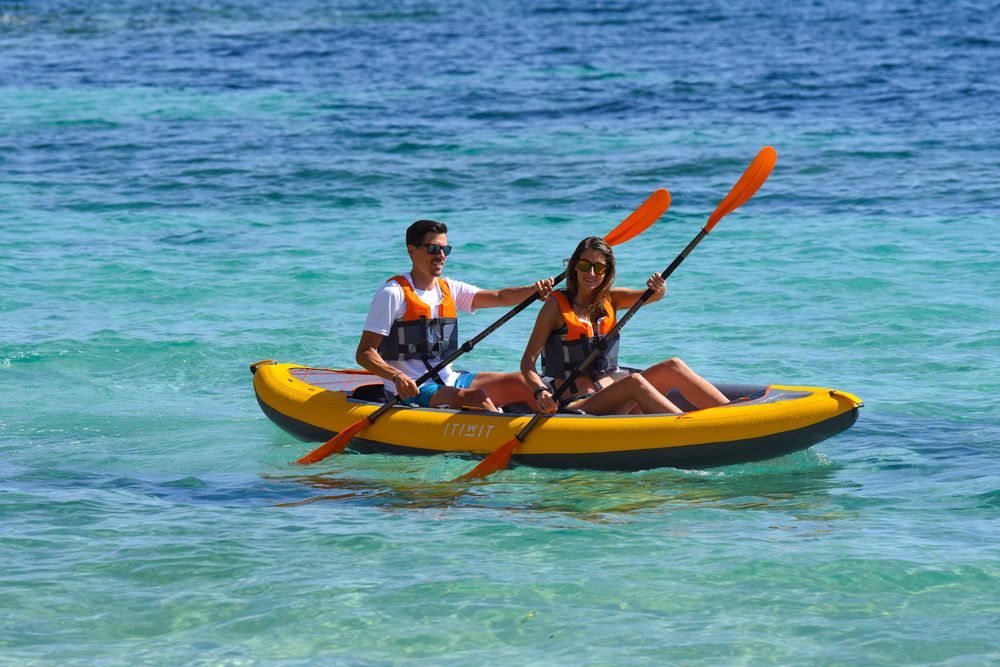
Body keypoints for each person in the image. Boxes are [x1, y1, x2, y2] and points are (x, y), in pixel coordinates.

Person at [357, 219, 554, 411]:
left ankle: (554, 423)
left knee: (523, 382)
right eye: (434, 249)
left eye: (445, 250)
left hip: (450, 379)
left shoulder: (449, 289)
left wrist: (533, 290)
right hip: (414, 389)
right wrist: (397, 376)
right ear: (412, 250)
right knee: (478, 398)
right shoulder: (393, 293)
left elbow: (500, 297)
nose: (441, 256)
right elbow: (365, 353)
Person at [520, 236, 729, 415]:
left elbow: (653, 296)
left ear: (607, 272)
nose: (591, 273)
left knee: (673, 366)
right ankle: (688, 428)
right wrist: (540, 391)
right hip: (578, 406)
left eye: (599, 267)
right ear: (574, 266)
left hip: (613, 395)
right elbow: (528, 362)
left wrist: (659, 287)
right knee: (633, 382)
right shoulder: (555, 307)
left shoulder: (612, 299)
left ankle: (732, 414)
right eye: (584, 265)